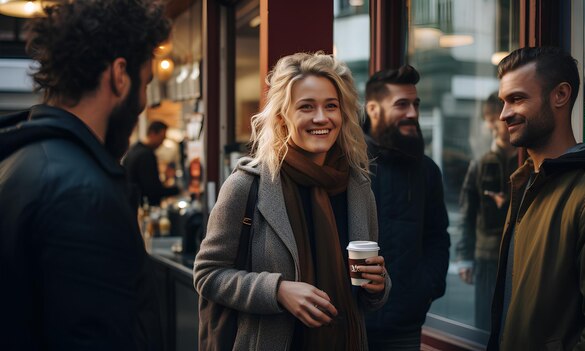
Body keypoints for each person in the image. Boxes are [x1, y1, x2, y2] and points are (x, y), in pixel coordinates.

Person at [0, 1, 170, 350]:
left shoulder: (21, 158)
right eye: (145, 82)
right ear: (120, 75)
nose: (143, 100)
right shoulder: (82, 194)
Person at [194, 52, 390, 350]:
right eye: (306, 107)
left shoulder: (357, 187)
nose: (321, 118)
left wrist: (378, 286)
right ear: (282, 116)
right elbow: (208, 274)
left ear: (343, 114)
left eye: (331, 106)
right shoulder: (247, 185)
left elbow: (368, 293)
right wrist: (277, 291)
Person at [488, 46, 585, 350]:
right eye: (503, 101)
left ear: (560, 96)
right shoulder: (525, 181)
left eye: (517, 99)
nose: (504, 114)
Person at [363, 65, 450, 350]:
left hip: (404, 325)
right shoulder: (346, 166)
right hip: (348, 321)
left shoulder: (427, 171)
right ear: (373, 109)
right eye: (402, 104)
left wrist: (426, 287)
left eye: (415, 104)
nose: (412, 113)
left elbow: (438, 236)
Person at [455, 92, 517, 330]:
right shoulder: (480, 164)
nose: (490, 125)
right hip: (486, 258)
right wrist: (465, 258)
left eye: (494, 119)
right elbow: (467, 214)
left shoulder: (527, 162)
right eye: (488, 119)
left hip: (517, 257)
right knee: (485, 323)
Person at [124, 120, 180, 206]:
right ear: (152, 133)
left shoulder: (134, 149)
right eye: (161, 138)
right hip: (142, 205)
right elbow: (152, 189)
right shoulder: (146, 155)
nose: (162, 142)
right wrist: (177, 190)